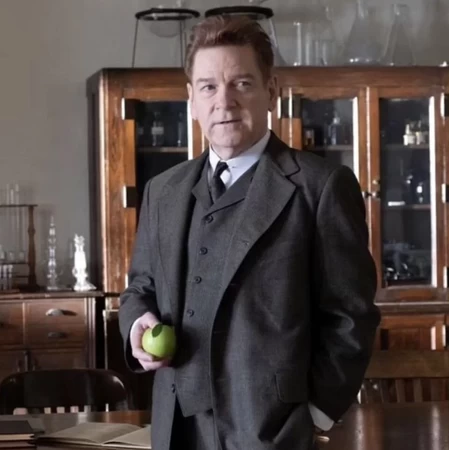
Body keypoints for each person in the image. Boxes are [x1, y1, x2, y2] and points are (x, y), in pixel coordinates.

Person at [119, 15, 380, 450]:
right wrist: (136, 326)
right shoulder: (162, 191)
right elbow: (140, 288)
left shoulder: (321, 187)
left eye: (241, 83)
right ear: (191, 99)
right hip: (175, 430)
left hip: (273, 433)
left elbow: (351, 315)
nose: (224, 102)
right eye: (208, 87)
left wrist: (316, 414)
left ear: (270, 91)